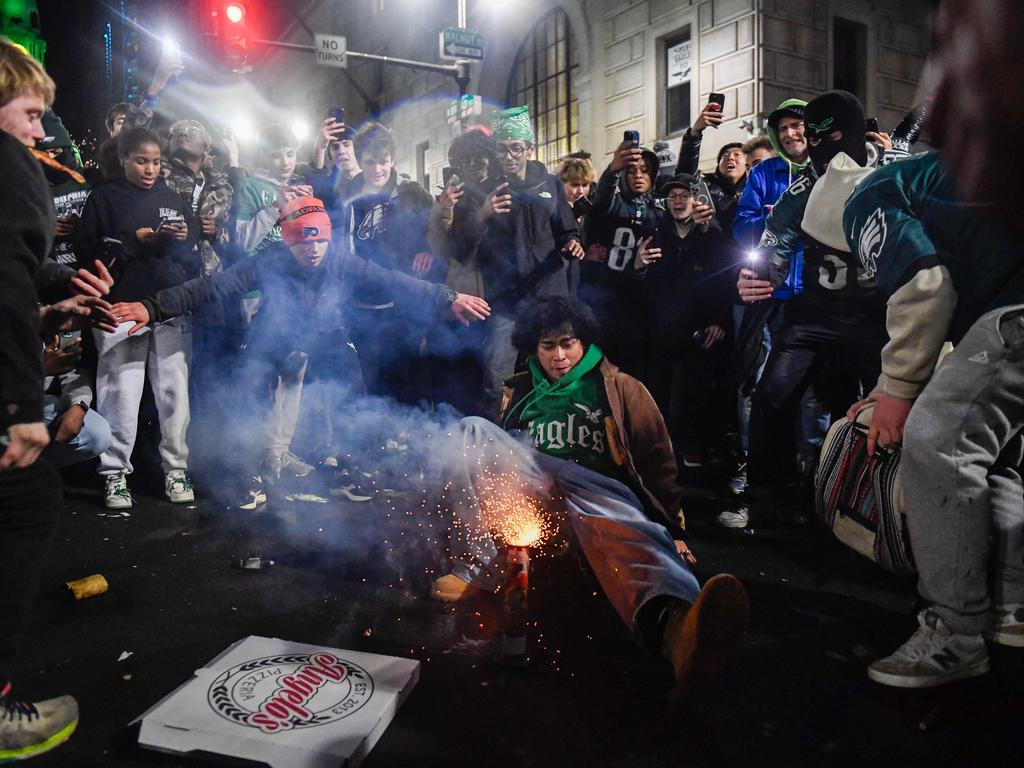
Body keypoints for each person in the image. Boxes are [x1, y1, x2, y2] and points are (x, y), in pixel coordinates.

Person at [431, 297, 749, 694]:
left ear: (584, 344)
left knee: (626, 533)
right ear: (534, 348)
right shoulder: (519, 389)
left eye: (568, 344)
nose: (559, 356)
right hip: (535, 484)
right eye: (548, 347)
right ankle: (478, 569)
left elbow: (657, 463)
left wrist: (674, 529)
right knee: (471, 429)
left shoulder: (620, 387)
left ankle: (678, 629)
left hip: (595, 489)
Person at [111, 197, 490, 498]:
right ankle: (246, 469)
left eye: (320, 239)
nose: (313, 250)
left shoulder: (340, 261)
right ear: (288, 241)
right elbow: (210, 287)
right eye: (303, 241)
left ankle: (344, 460)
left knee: (348, 378)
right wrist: (151, 306)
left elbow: (394, 282)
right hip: (272, 339)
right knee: (255, 391)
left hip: (321, 338)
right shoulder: (268, 262)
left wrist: (448, 296)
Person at [741, 91, 888, 525]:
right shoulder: (803, 190)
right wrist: (758, 278)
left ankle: (883, 495)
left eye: (834, 138)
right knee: (772, 393)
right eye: (814, 140)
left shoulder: (894, 173)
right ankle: (771, 490)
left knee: (890, 403)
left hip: (877, 315)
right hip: (816, 312)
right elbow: (775, 244)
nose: (823, 152)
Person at [0, 35, 80, 761]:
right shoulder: (7, 165)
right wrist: (22, 408)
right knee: (28, 503)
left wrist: (51, 298)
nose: (38, 131)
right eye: (30, 112)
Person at [75, 127, 200, 509]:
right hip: (120, 309)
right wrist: (134, 240)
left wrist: (182, 239)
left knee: (174, 394)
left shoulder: (172, 198)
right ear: (124, 159)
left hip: (167, 309)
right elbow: (86, 250)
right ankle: (115, 474)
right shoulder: (104, 197)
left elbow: (193, 255)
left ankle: (175, 468)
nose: (150, 169)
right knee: (120, 394)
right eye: (141, 161)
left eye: (156, 162)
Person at [451, 106, 583, 416]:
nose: (509, 156)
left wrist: (573, 242)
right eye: (502, 149)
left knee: (557, 371)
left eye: (516, 149)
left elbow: (567, 228)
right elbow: (460, 247)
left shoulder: (549, 185)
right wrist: (482, 214)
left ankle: (555, 435)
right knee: (497, 379)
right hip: (506, 303)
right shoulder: (486, 189)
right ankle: (496, 441)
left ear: (529, 149)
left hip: (550, 298)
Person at [343, 121, 441, 402]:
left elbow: (437, 228)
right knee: (373, 382)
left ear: (393, 159)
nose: (377, 170)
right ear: (360, 161)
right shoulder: (347, 196)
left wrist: (428, 250)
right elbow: (342, 246)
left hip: (404, 302)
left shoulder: (412, 192)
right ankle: (381, 438)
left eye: (383, 162)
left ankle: (411, 438)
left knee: (409, 377)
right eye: (370, 162)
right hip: (363, 304)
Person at [641, 175, 732, 467]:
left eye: (684, 195)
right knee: (659, 389)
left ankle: (693, 445)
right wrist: (637, 265)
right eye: (672, 196)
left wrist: (720, 320)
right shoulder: (655, 232)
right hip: (661, 326)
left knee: (699, 389)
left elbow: (724, 279)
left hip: (699, 327)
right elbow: (641, 283)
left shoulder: (711, 235)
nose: (678, 201)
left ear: (696, 200)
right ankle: (659, 446)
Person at [578, 138, 660, 379]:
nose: (638, 176)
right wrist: (613, 170)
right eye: (631, 170)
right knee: (604, 369)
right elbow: (601, 201)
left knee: (636, 372)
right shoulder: (612, 205)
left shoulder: (658, 209)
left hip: (641, 304)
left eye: (645, 171)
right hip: (605, 302)